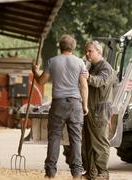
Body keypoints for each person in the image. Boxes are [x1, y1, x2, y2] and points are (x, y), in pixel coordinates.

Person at [32, 34, 88, 179]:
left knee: (54, 137)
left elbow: (41, 81)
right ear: (73, 47)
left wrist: (35, 70)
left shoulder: (52, 61)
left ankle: (50, 173)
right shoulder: (80, 62)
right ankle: (76, 173)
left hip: (58, 104)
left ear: (60, 46)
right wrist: (85, 105)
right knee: (76, 139)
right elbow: (83, 86)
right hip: (75, 104)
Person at [82, 40, 116, 180]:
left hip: (100, 110)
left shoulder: (106, 68)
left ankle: (103, 173)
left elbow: (99, 81)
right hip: (91, 109)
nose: (87, 53)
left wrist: (87, 77)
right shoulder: (92, 66)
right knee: (89, 143)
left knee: (100, 143)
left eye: (90, 51)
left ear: (98, 51)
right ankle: (91, 173)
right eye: (86, 51)